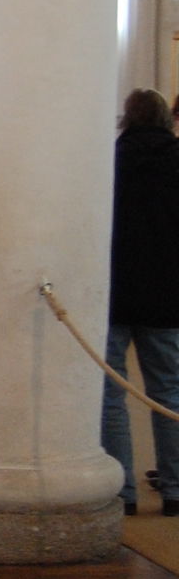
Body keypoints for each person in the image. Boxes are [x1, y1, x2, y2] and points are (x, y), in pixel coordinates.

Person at [102, 88, 179, 516]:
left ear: (126, 118)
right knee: (168, 392)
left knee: (112, 397)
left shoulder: (110, 159)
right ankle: (175, 489)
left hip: (115, 292)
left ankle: (123, 491)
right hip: (168, 294)